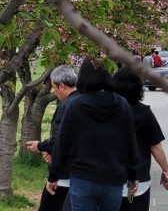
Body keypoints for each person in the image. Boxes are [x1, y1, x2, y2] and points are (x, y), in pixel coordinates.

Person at [46, 60, 140, 211]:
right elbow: (130, 142)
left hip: (83, 178)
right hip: (112, 178)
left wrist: (53, 175)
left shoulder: (75, 106)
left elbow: (62, 144)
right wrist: (133, 174)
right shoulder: (122, 105)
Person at [112, 67, 168, 211]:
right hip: (139, 179)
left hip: (110, 176)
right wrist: (166, 171)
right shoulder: (144, 113)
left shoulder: (106, 111)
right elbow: (155, 146)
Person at [26, 65, 79, 211]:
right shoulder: (84, 101)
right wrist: (52, 150)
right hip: (82, 173)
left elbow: (59, 140)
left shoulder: (67, 106)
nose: (54, 93)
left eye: (54, 88)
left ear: (62, 85)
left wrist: (41, 146)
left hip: (63, 175)